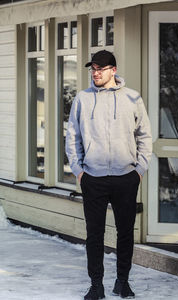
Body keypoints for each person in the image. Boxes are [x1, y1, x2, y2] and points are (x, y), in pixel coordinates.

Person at [66, 50, 152, 300]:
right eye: (92, 69)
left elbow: (144, 136)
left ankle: (122, 282)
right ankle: (96, 285)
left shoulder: (133, 98)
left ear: (113, 70)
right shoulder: (82, 99)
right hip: (93, 177)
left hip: (126, 176)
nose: (95, 73)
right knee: (95, 234)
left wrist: (140, 170)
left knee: (125, 232)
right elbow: (73, 138)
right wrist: (79, 171)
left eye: (100, 69)